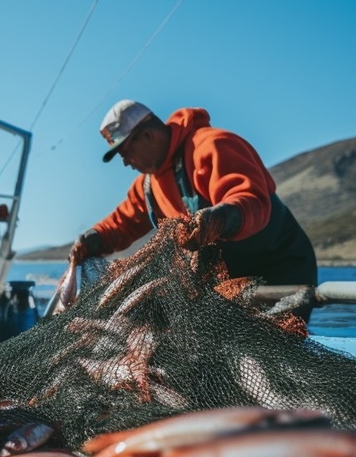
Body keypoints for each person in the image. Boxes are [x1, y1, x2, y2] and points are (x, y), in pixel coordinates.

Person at [70, 99, 317, 317]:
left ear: (148, 136)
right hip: (228, 285)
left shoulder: (213, 145)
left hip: (280, 275)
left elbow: (250, 199)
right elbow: (122, 224)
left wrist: (222, 218)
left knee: (272, 356)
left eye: (125, 151)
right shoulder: (148, 184)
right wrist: (95, 238)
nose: (125, 162)